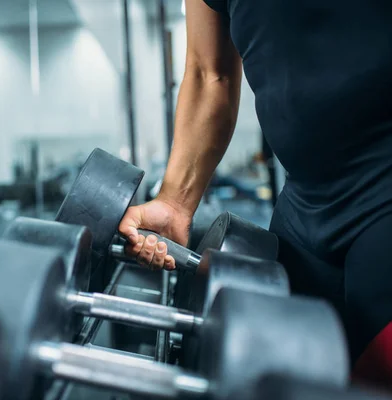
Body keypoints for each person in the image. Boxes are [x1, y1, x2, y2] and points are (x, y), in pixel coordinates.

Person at [119, 0, 392, 391]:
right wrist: (176, 202)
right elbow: (209, 74)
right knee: (274, 378)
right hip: (304, 209)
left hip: (384, 185)